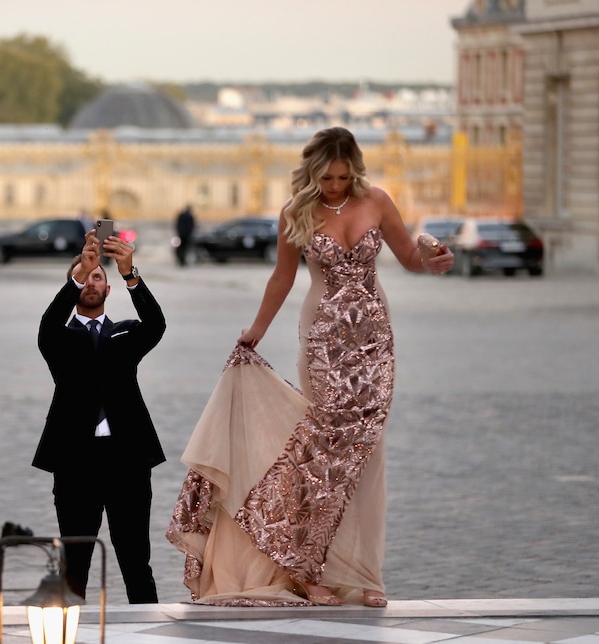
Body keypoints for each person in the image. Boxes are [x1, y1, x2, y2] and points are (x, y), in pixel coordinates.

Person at [166, 127, 454, 608]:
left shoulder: (378, 201)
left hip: (374, 344)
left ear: (355, 170)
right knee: (322, 456)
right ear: (312, 170)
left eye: (343, 176)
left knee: (368, 455)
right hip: (322, 343)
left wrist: (432, 259)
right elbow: (282, 276)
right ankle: (305, 568)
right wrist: (256, 328)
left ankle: (366, 574)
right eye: (327, 176)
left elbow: (408, 257)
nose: (336, 186)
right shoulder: (295, 212)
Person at [34, 227, 167, 603]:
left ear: (108, 291)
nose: (91, 281)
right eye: (83, 278)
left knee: (136, 560)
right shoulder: (57, 339)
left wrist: (129, 273)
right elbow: (46, 326)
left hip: (128, 460)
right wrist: (78, 275)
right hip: (75, 461)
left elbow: (156, 325)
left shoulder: (126, 334)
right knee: (75, 564)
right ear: (73, 289)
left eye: (97, 277)